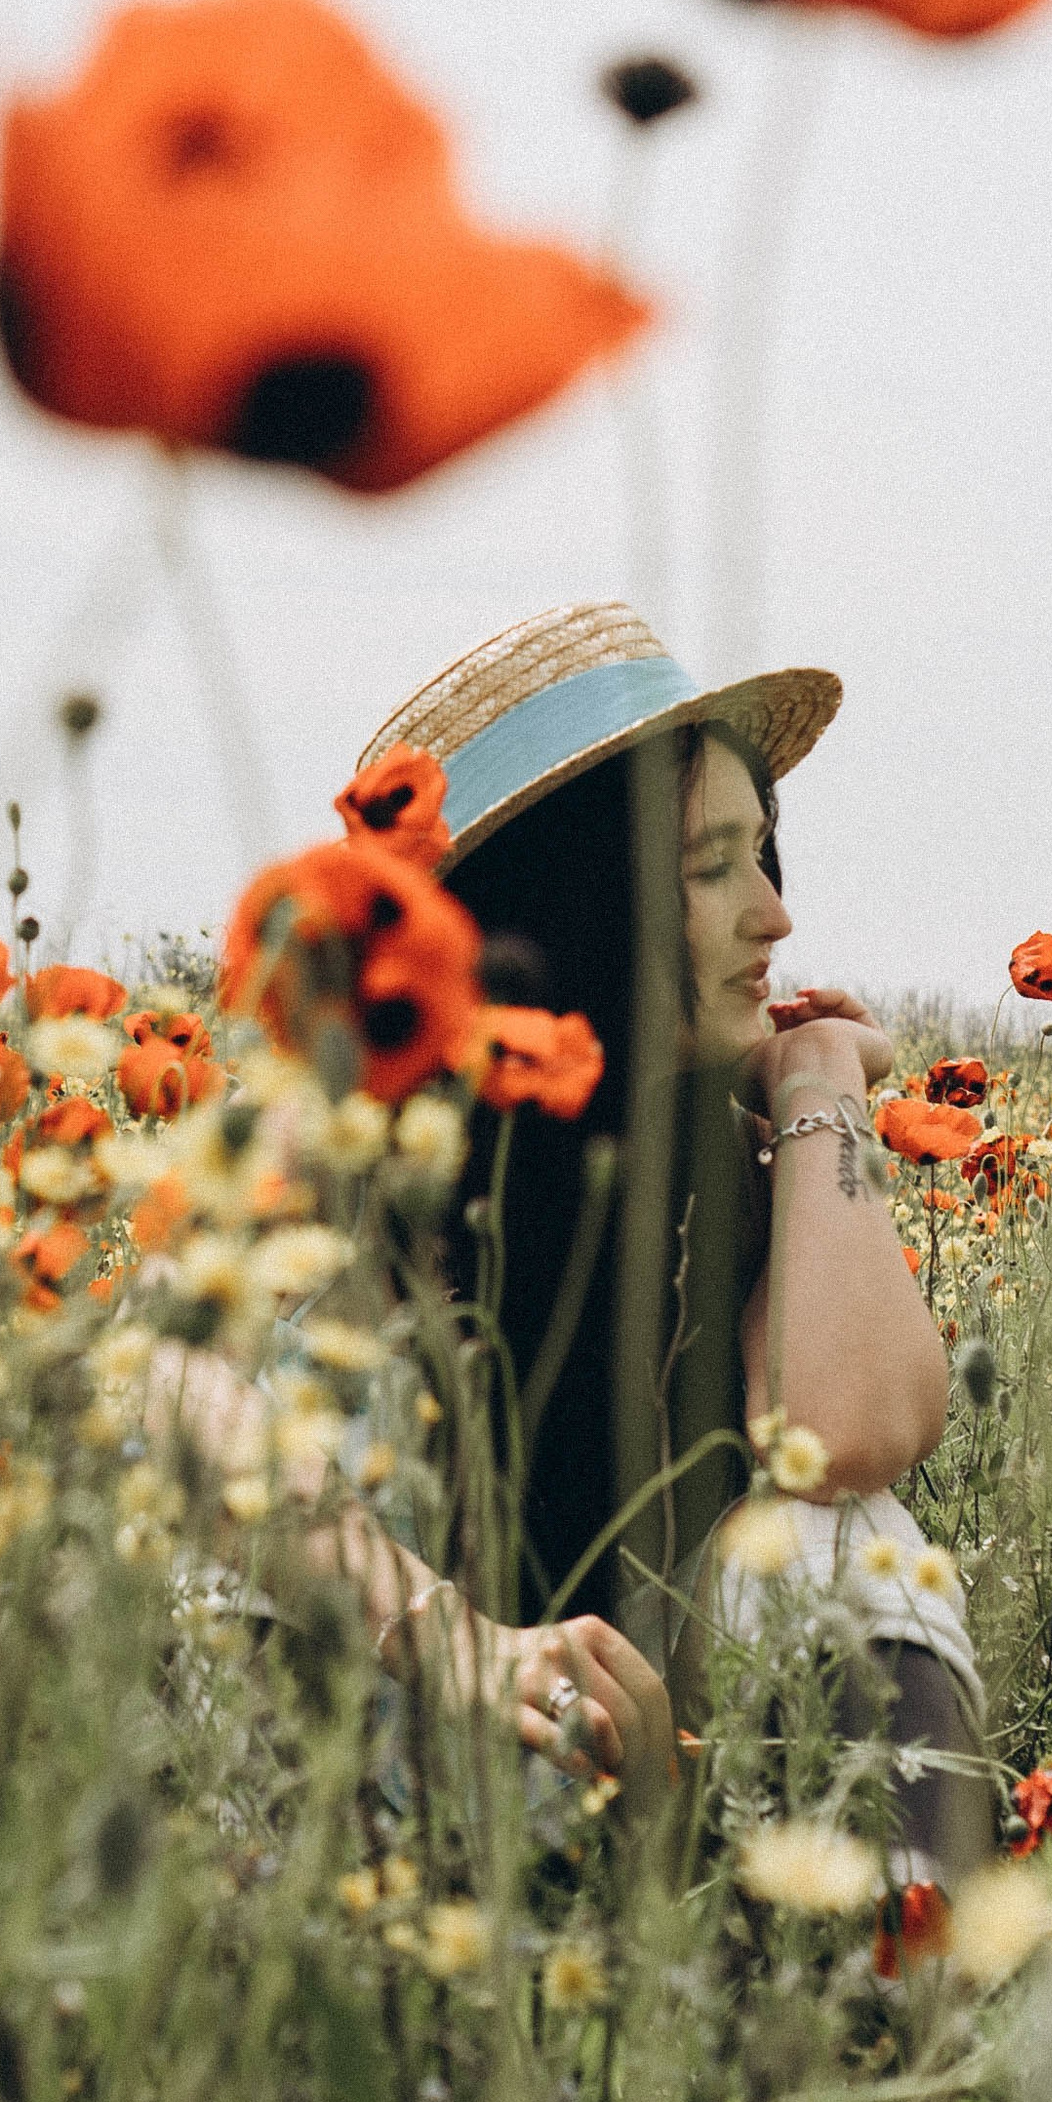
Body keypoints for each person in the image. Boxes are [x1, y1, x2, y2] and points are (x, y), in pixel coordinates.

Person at [338, 603, 981, 1876]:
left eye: (765, 857)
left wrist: (819, 1090)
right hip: (396, 1760)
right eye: (710, 868)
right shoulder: (374, 1149)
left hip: (637, 1782)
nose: (773, 916)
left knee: (835, 1540)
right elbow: (183, 1405)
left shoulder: (727, 1152)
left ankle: (903, 1988)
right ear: (578, 905)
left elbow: (843, 1435)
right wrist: (452, 1638)